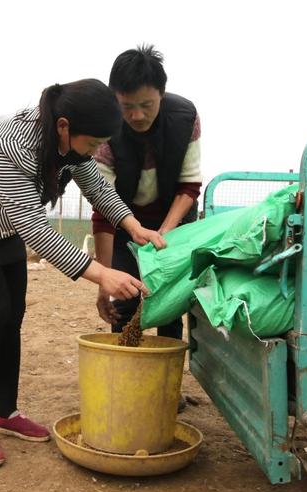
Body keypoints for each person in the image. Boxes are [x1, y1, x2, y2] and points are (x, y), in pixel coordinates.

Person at [0, 78, 166, 468]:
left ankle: (5, 412)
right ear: (64, 126)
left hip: (3, 218)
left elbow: (97, 187)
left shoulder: (67, 140)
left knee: (12, 313)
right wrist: (102, 274)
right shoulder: (10, 146)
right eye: (90, 144)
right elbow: (35, 228)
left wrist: (134, 226)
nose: (91, 152)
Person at [92, 45, 202, 341]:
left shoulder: (185, 116)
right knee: (124, 297)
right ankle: (124, 364)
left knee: (169, 300)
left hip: (174, 220)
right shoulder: (104, 130)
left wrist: (165, 234)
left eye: (147, 105)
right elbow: (103, 207)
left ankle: (167, 375)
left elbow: (189, 185)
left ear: (161, 95)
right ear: (115, 98)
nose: (137, 115)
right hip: (125, 223)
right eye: (127, 106)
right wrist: (104, 281)